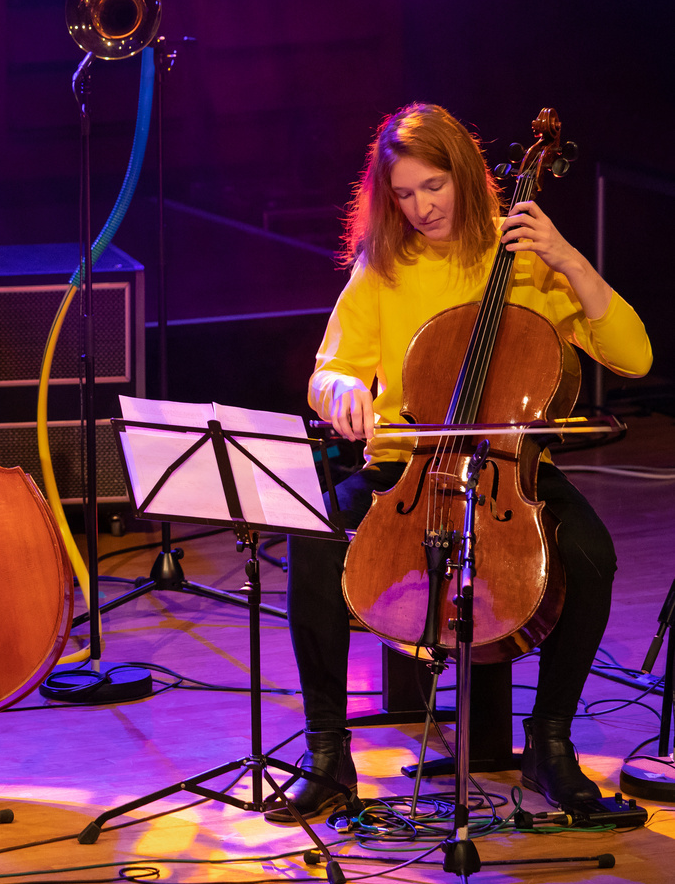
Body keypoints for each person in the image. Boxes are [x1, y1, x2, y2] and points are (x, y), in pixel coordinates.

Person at [271, 103, 653, 822]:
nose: (420, 208)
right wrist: (343, 388)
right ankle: (327, 755)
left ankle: (550, 743)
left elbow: (635, 356)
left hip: (510, 464)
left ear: (468, 177)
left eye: (433, 187)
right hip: (405, 469)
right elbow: (329, 371)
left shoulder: (527, 261)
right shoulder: (381, 267)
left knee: (592, 554)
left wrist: (569, 259)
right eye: (405, 194)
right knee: (313, 538)